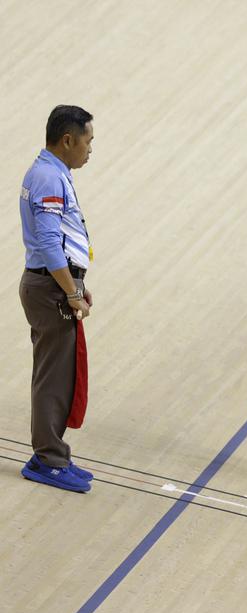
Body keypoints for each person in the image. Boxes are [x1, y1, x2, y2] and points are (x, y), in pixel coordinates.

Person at [17, 105, 97, 494]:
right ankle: (47, 459)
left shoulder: (48, 171)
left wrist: (77, 285)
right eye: (88, 141)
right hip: (50, 290)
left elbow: (60, 242)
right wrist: (70, 291)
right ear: (68, 139)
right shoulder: (50, 178)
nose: (90, 149)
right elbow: (50, 243)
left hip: (51, 285)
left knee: (58, 375)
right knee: (54, 378)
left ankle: (53, 453)